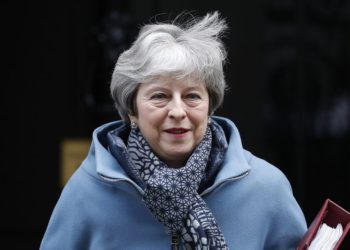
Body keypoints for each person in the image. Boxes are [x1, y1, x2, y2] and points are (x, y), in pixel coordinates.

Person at [40, 11, 307, 249]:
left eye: (192, 96)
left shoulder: (266, 188)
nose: (178, 111)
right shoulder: (87, 192)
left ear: (210, 105)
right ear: (131, 109)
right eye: (160, 96)